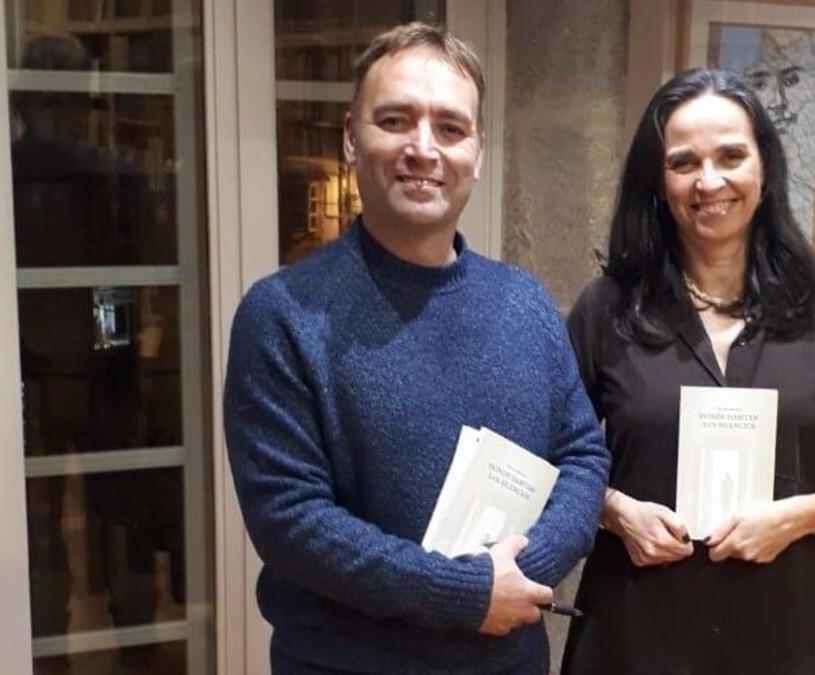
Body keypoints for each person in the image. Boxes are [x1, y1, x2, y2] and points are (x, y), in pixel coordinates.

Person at [224, 23, 610, 674]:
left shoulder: (525, 302)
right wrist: (467, 592)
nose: (423, 148)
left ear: (479, 153)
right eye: (396, 120)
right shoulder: (283, 314)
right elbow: (291, 520)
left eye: (451, 128)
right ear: (352, 137)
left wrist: (518, 571)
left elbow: (582, 455)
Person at [561, 68, 815, 674]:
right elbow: (548, 457)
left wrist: (797, 516)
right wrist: (617, 512)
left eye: (731, 156)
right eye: (683, 162)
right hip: (634, 637)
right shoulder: (607, 308)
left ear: (765, 169)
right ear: (657, 180)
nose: (709, 181)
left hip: (791, 639)